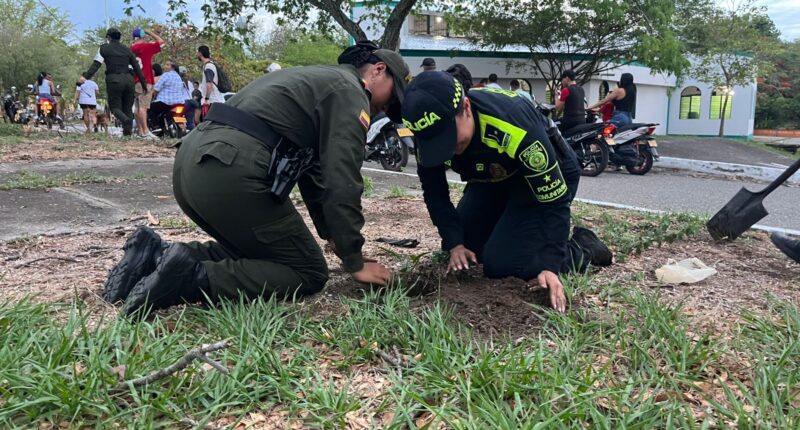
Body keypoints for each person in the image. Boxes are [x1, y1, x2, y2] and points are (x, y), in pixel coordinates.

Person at [106, 41, 410, 316]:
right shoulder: (351, 91)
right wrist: (355, 261)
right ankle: (190, 277)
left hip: (193, 167)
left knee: (264, 254)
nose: (382, 109)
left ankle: (152, 256)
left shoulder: (319, 79)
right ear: (378, 70)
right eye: (388, 100)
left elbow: (315, 177)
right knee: (309, 272)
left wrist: (335, 238)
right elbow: (341, 179)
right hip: (230, 171)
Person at [401, 71, 612, 312]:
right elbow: (435, 193)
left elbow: (554, 202)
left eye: (449, 139)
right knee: (465, 244)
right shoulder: (426, 129)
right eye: (436, 143)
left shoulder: (513, 126)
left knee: (503, 264)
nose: (446, 150)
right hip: (493, 178)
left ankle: (582, 248)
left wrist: (551, 264)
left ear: (466, 107)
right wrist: (455, 243)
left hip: (544, 179)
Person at [81, 28, 147, 137]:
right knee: (127, 107)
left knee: (114, 107)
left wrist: (85, 77)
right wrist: (144, 85)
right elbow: (137, 69)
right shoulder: (127, 50)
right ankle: (127, 134)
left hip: (114, 80)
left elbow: (96, 65)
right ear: (119, 37)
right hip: (129, 80)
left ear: (108, 37)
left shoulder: (104, 48)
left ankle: (125, 121)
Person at [130, 28, 164, 138]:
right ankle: (145, 131)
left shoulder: (130, 49)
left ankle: (140, 131)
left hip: (134, 80)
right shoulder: (147, 47)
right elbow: (161, 42)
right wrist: (150, 32)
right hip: (146, 81)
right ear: (143, 36)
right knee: (143, 107)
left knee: (137, 107)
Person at [149, 61, 185, 131]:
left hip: (165, 102)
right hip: (179, 103)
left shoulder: (165, 75)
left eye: (167, 65)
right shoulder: (178, 76)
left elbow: (156, 89)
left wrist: (153, 95)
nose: (165, 66)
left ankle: (156, 126)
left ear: (173, 67)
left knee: (150, 108)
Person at [197, 45, 225, 118]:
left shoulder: (208, 66)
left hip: (213, 102)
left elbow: (209, 85)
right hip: (216, 101)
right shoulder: (209, 65)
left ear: (200, 53)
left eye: (197, 53)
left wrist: (206, 99)